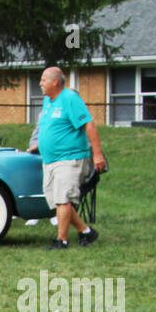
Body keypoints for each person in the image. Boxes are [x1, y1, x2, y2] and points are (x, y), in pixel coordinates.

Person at [37, 67, 106, 249]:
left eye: (44, 80)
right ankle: (86, 232)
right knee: (59, 201)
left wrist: (97, 154)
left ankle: (62, 240)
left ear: (55, 82)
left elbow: (89, 125)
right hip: (50, 160)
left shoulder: (70, 98)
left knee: (63, 199)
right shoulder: (48, 101)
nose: (40, 83)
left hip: (70, 158)